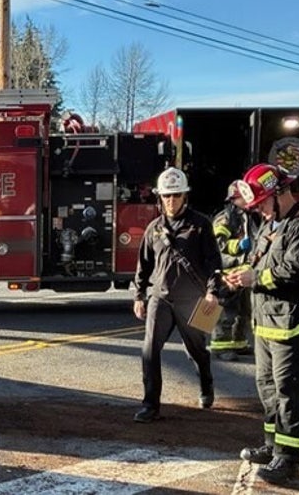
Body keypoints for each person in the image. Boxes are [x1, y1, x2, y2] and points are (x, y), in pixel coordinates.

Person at [223, 163, 299, 485]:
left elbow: (295, 271)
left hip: (294, 328)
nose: (261, 213)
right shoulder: (271, 227)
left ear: (279, 193)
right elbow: (257, 262)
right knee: (268, 390)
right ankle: (272, 447)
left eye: (262, 205)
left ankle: (289, 460)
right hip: (268, 327)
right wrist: (239, 275)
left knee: (290, 394)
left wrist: (256, 278)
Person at [131, 167, 222, 423]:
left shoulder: (201, 225)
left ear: (185, 197)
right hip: (161, 298)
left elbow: (214, 261)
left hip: (194, 300)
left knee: (197, 351)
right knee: (149, 350)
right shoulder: (153, 229)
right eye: (167, 196)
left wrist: (213, 292)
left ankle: (206, 385)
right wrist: (139, 295)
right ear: (160, 198)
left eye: (176, 195)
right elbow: (143, 265)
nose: (171, 201)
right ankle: (150, 405)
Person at [209, 180, 258, 361]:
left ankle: (239, 342)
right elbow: (218, 244)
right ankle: (220, 346)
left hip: (243, 271)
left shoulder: (247, 216)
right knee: (225, 310)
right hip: (228, 270)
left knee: (243, 309)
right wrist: (238, 245)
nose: (247, 200)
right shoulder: (225, 218)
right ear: (233, 199)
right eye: (242, 197)